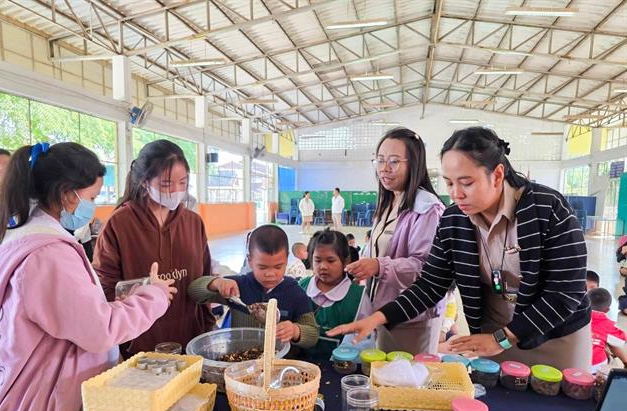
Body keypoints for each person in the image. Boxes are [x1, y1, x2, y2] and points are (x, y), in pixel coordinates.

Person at [330, 127, 592, 371]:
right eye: (449, 183)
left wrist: (504, 339)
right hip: (492, 333)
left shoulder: (548, 209)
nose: (456, 194)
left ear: (497, 175)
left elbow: (564, 293)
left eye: (466, 183)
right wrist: (377, 318)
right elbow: (431, 286)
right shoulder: (454, 219)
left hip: (556, 335)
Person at [0, 142, 175, 411]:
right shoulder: (48, 256)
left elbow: (70, 312)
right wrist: (154, 296)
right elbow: (98, 329)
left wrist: (121, 298)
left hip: (44, 399)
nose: (92, 206)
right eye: (90, 197)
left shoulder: (27, 237)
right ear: (67, 194)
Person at [93, 139, 214, 356]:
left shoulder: (193, 222)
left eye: (183, 183)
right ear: (144, 182)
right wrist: (145, 288)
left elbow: (204, 275)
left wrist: (207, 321)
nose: (176, 191)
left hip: (190, 339)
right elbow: (104, 287)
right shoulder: (120, 224)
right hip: (141, 342)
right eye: (166, 184)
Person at [343, 127, 446, 354]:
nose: (384, 169)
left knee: (409, 380)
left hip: (412, 318)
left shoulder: (427, 209)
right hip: (383, 310)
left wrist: (379, 266)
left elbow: (426, 268)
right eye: (379, 161)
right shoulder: (388, 202)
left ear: (414, 164)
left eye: (393, 161)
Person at [188, 225, 318, 349]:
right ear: (250, 260)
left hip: (280, 364)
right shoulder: (238, 287)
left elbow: (312, 334)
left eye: (278, 267)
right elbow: (193, 292)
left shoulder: (294, 293)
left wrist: (296, 331)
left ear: (287, 258)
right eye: (262, 267)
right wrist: (215, 283)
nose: (270, 274)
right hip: (241, 362)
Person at [298, 229, 363, 359]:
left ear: (345, 261)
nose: (323, 266)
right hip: (301, 369)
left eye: (331, 260)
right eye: (317, 260)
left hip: (342, 370)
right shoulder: (300, 288)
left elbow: (363, 342)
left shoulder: (358, 297)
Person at [587, 288, 627, 372]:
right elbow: (621, 341)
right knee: (610, 343)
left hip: (571, 361)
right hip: (595, 366)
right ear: (607, 310)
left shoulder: (575, 315)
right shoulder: (607, 324)